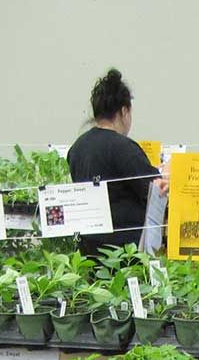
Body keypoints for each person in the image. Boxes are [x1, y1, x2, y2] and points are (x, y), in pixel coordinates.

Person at [66, 69, 160, 257]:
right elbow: (153, 188)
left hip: (89, 251)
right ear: (124, 111)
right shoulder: (123, 147)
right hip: (123, 255)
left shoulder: (77, 148)